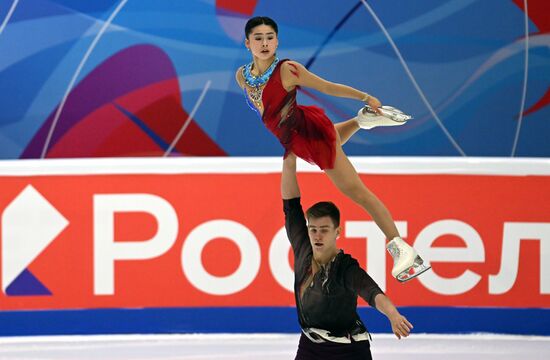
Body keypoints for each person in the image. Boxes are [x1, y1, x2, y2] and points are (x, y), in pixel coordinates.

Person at [235, 16, 429, 281]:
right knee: (333, 139)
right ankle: (362, 120)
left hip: (309, 135)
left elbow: (327, 87)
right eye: (258, 38)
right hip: (297, 137)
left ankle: (401, 248)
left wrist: (365, 96)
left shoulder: (288, 70)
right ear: (247, 43)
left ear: (277, 41)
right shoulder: (242, 76)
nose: (265, 43)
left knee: (359, 193)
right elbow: (269, 111)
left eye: (270, 37)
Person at [281, 152, 413, 359]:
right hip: (310, 345)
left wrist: (393, 314)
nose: (317, 235)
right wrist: (289, 161)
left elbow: (372, 292)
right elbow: (291, 206)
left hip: (348, 351)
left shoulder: (345, 268)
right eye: (313, 229)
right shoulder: (303, 247)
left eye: (324, 229)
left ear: (337, 232)